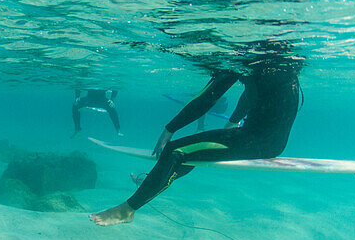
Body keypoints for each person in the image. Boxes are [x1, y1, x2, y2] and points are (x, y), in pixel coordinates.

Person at [90, 45, 301, 226]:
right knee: (196, 150)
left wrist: (170, 128)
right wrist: (234, 121)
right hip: (261, 137)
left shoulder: (245, 55)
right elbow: (254, 91)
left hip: (259, 141)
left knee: (176, 151)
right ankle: (151, 181)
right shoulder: (268, 61)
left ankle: (127, 210)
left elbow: (207, 98)